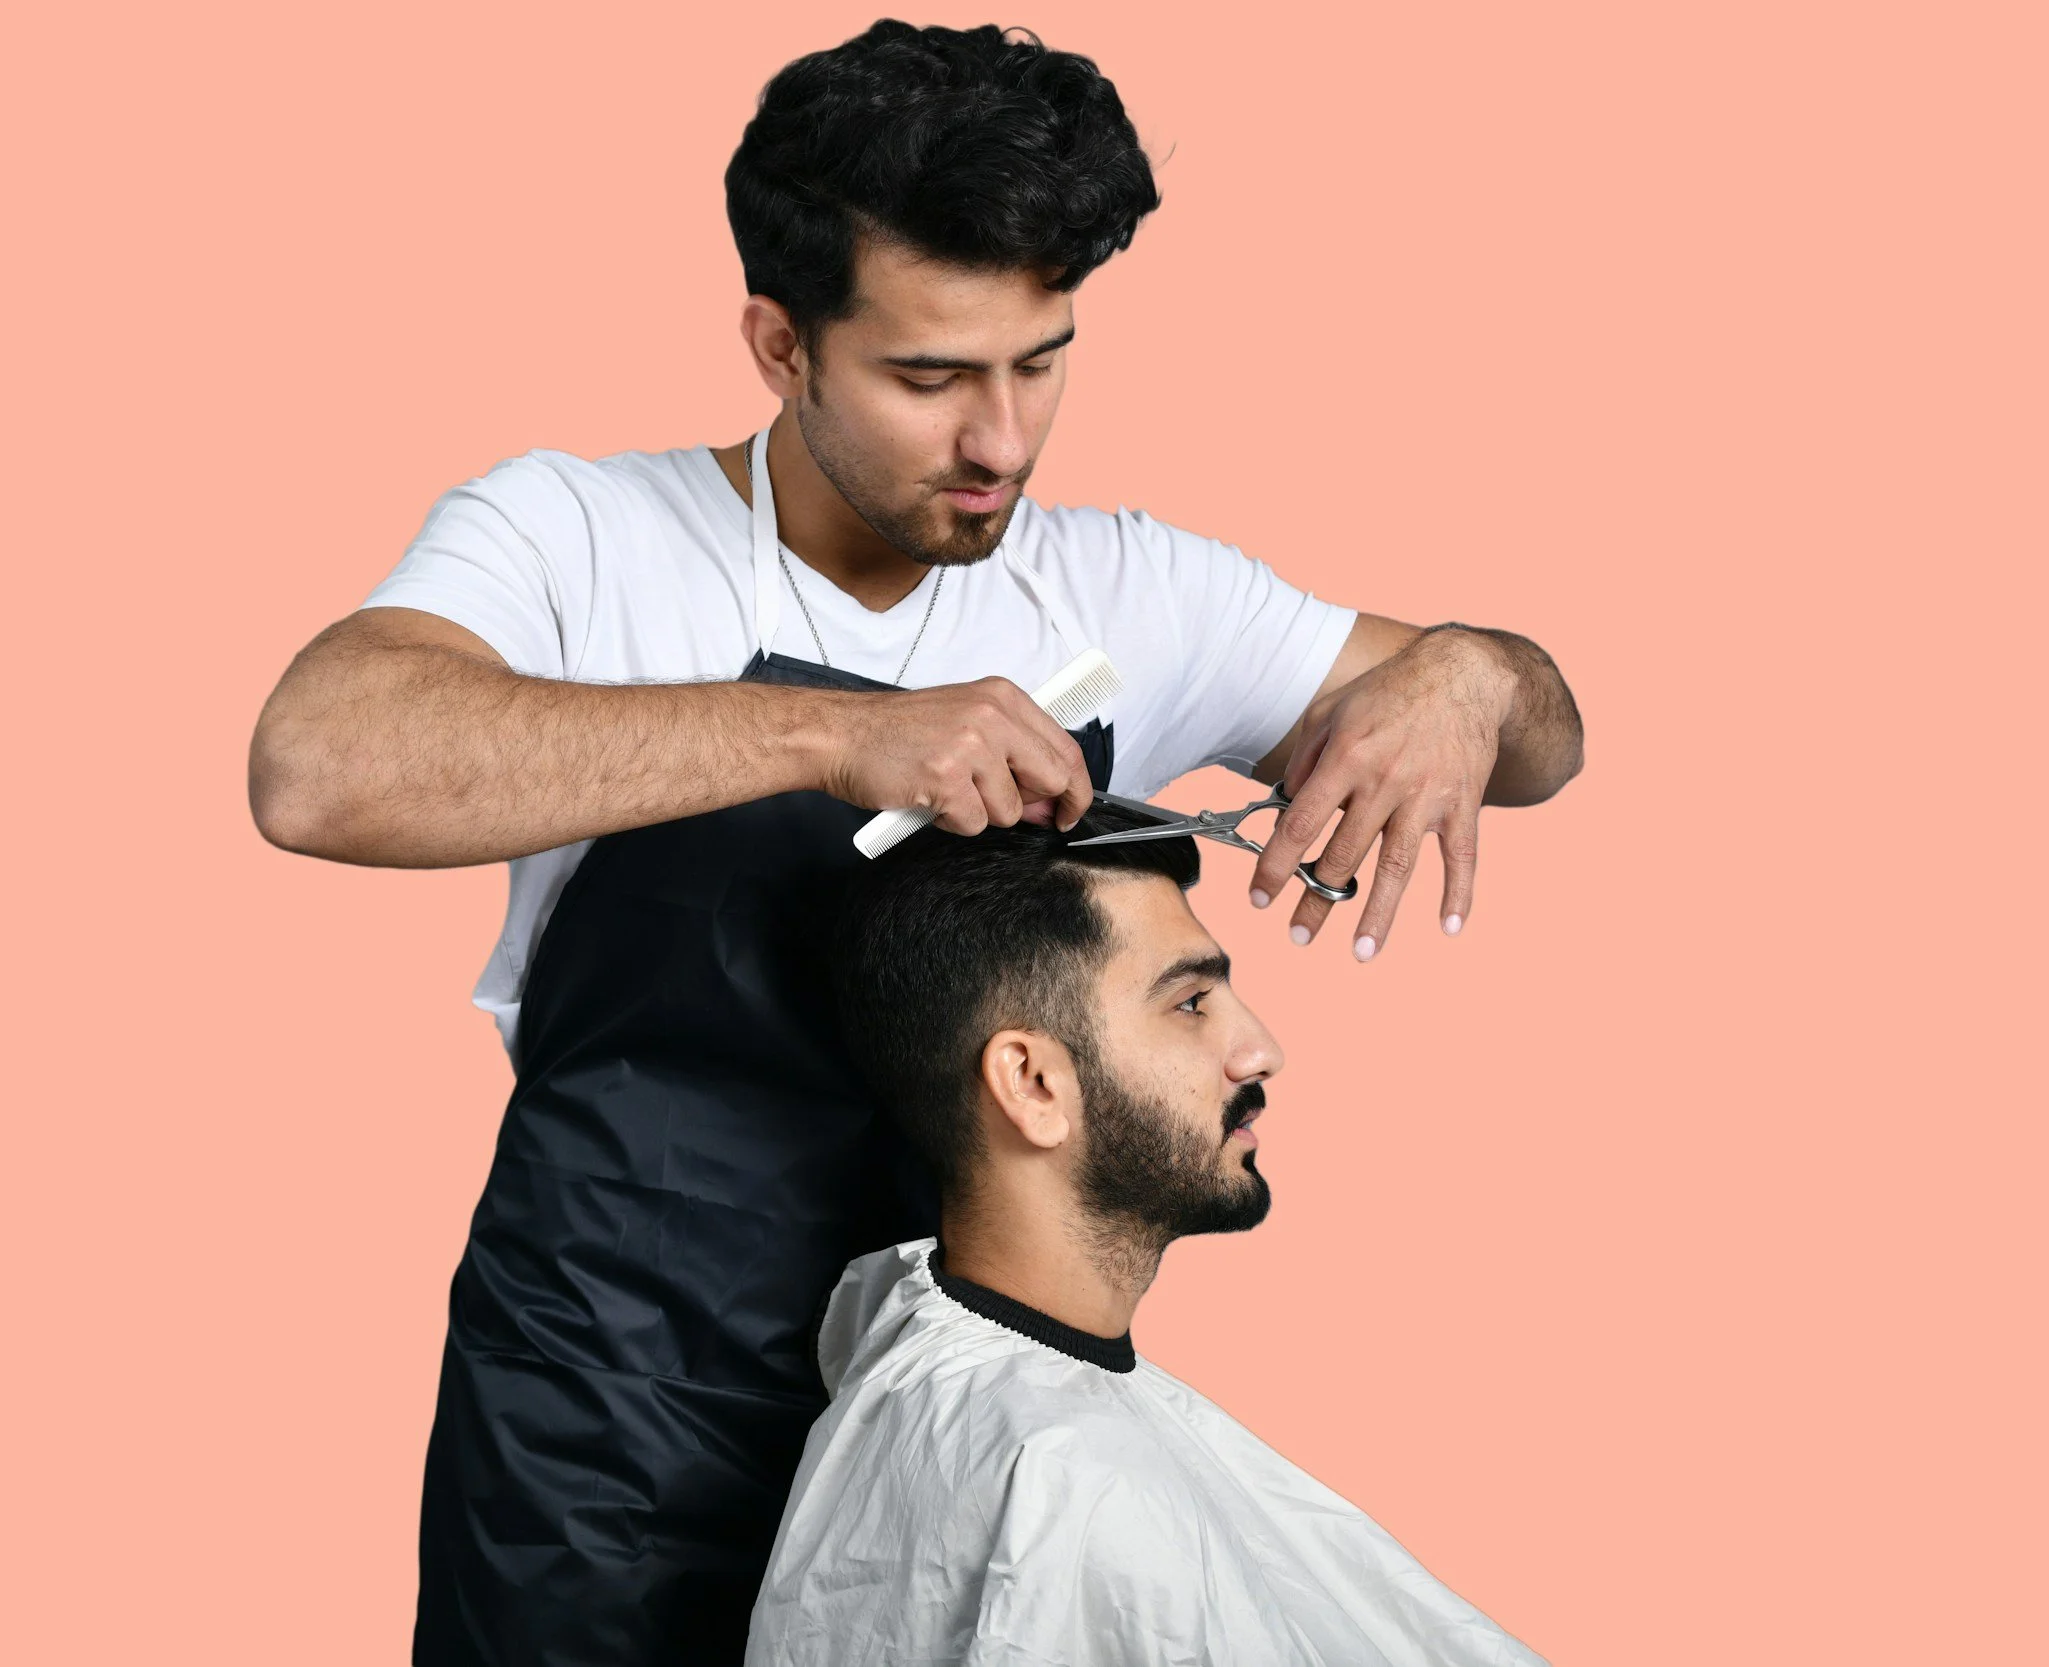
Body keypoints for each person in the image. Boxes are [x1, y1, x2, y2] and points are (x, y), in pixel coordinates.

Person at [247, 21, 1581, 1666]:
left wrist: (1464, 675)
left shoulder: (1126, 592)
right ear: (780, 344)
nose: (1002, 443)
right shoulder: (579, 533)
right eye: (932, 376)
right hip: (614, 1406)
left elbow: (1540, 740)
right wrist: (832, 731)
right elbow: (319, 764)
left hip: (950, 1410)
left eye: (1043, 362)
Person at [746, 810, 1545, 1666]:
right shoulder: (1056, 1479)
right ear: (1035, 1083)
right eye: (1191, 1002)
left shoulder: (969, 1381)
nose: (1261, 1050)